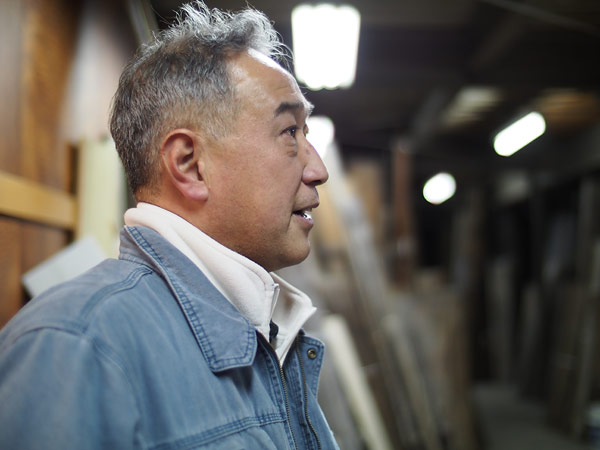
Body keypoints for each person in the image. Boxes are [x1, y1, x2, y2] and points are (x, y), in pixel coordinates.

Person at [0, 2, 339, 448]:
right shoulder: (75, 345)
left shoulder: (268, 330)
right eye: (290, 132)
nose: (318, 170)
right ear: (190, 164)